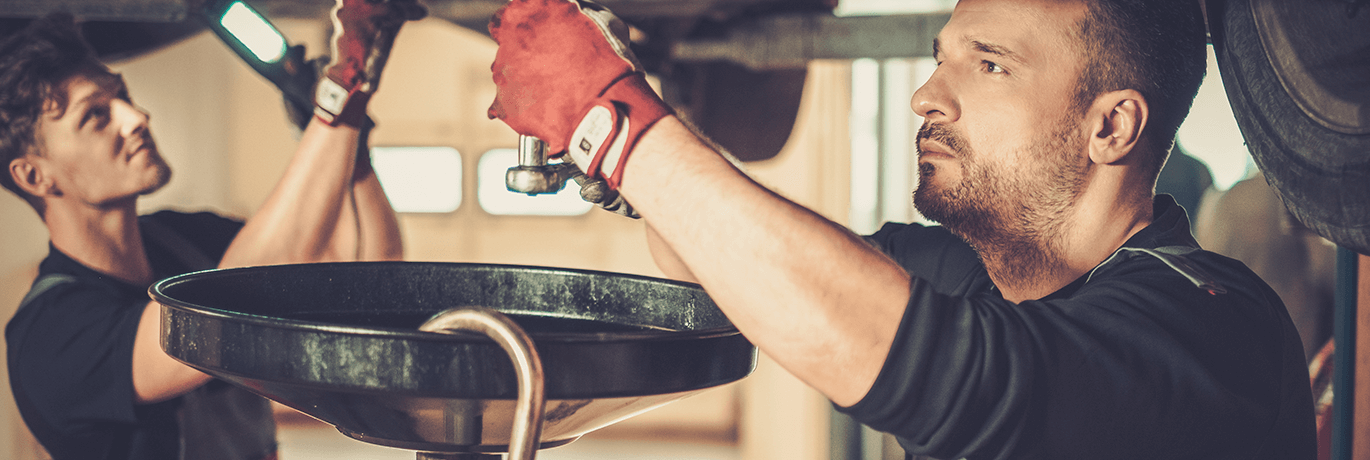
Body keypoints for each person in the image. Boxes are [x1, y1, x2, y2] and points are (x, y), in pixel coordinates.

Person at [484, 0, 1315, 458]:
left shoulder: (1216, 326)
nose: (928, 95)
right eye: (941, 56)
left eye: (988, 65)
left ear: (1112, 128)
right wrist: (635, 179)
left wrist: (619, 125)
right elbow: (739, 275)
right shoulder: (964, 268)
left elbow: (967, 380)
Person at [0, 0, 425, 458]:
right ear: (34, 176)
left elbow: (359, 271)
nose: (136, 116)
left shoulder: (186, 243)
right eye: (96, 115)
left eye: (120, 94)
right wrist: (335, 102)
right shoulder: (51, 338)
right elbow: (219, 316)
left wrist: (351, 132)